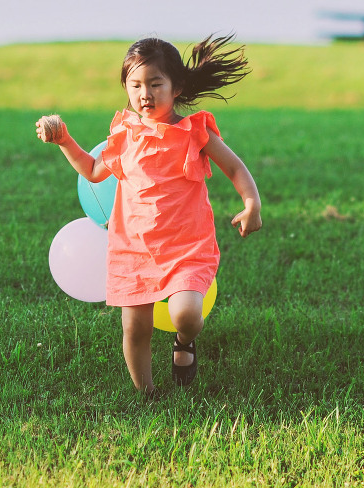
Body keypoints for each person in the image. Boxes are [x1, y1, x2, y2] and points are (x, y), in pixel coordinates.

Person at [35, 35, 262, 396]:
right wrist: (64, 140)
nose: (145, 94)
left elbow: (235, 168)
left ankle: (184, 342)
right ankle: (147, 393)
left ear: (177, 87)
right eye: (136, 85)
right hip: (134, 249)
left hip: (186, 246)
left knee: (186, 315)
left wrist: (252, 203)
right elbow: (93, 171)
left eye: (156, 84)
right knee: (134, 329)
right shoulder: (125, 135)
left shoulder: (195, 132)